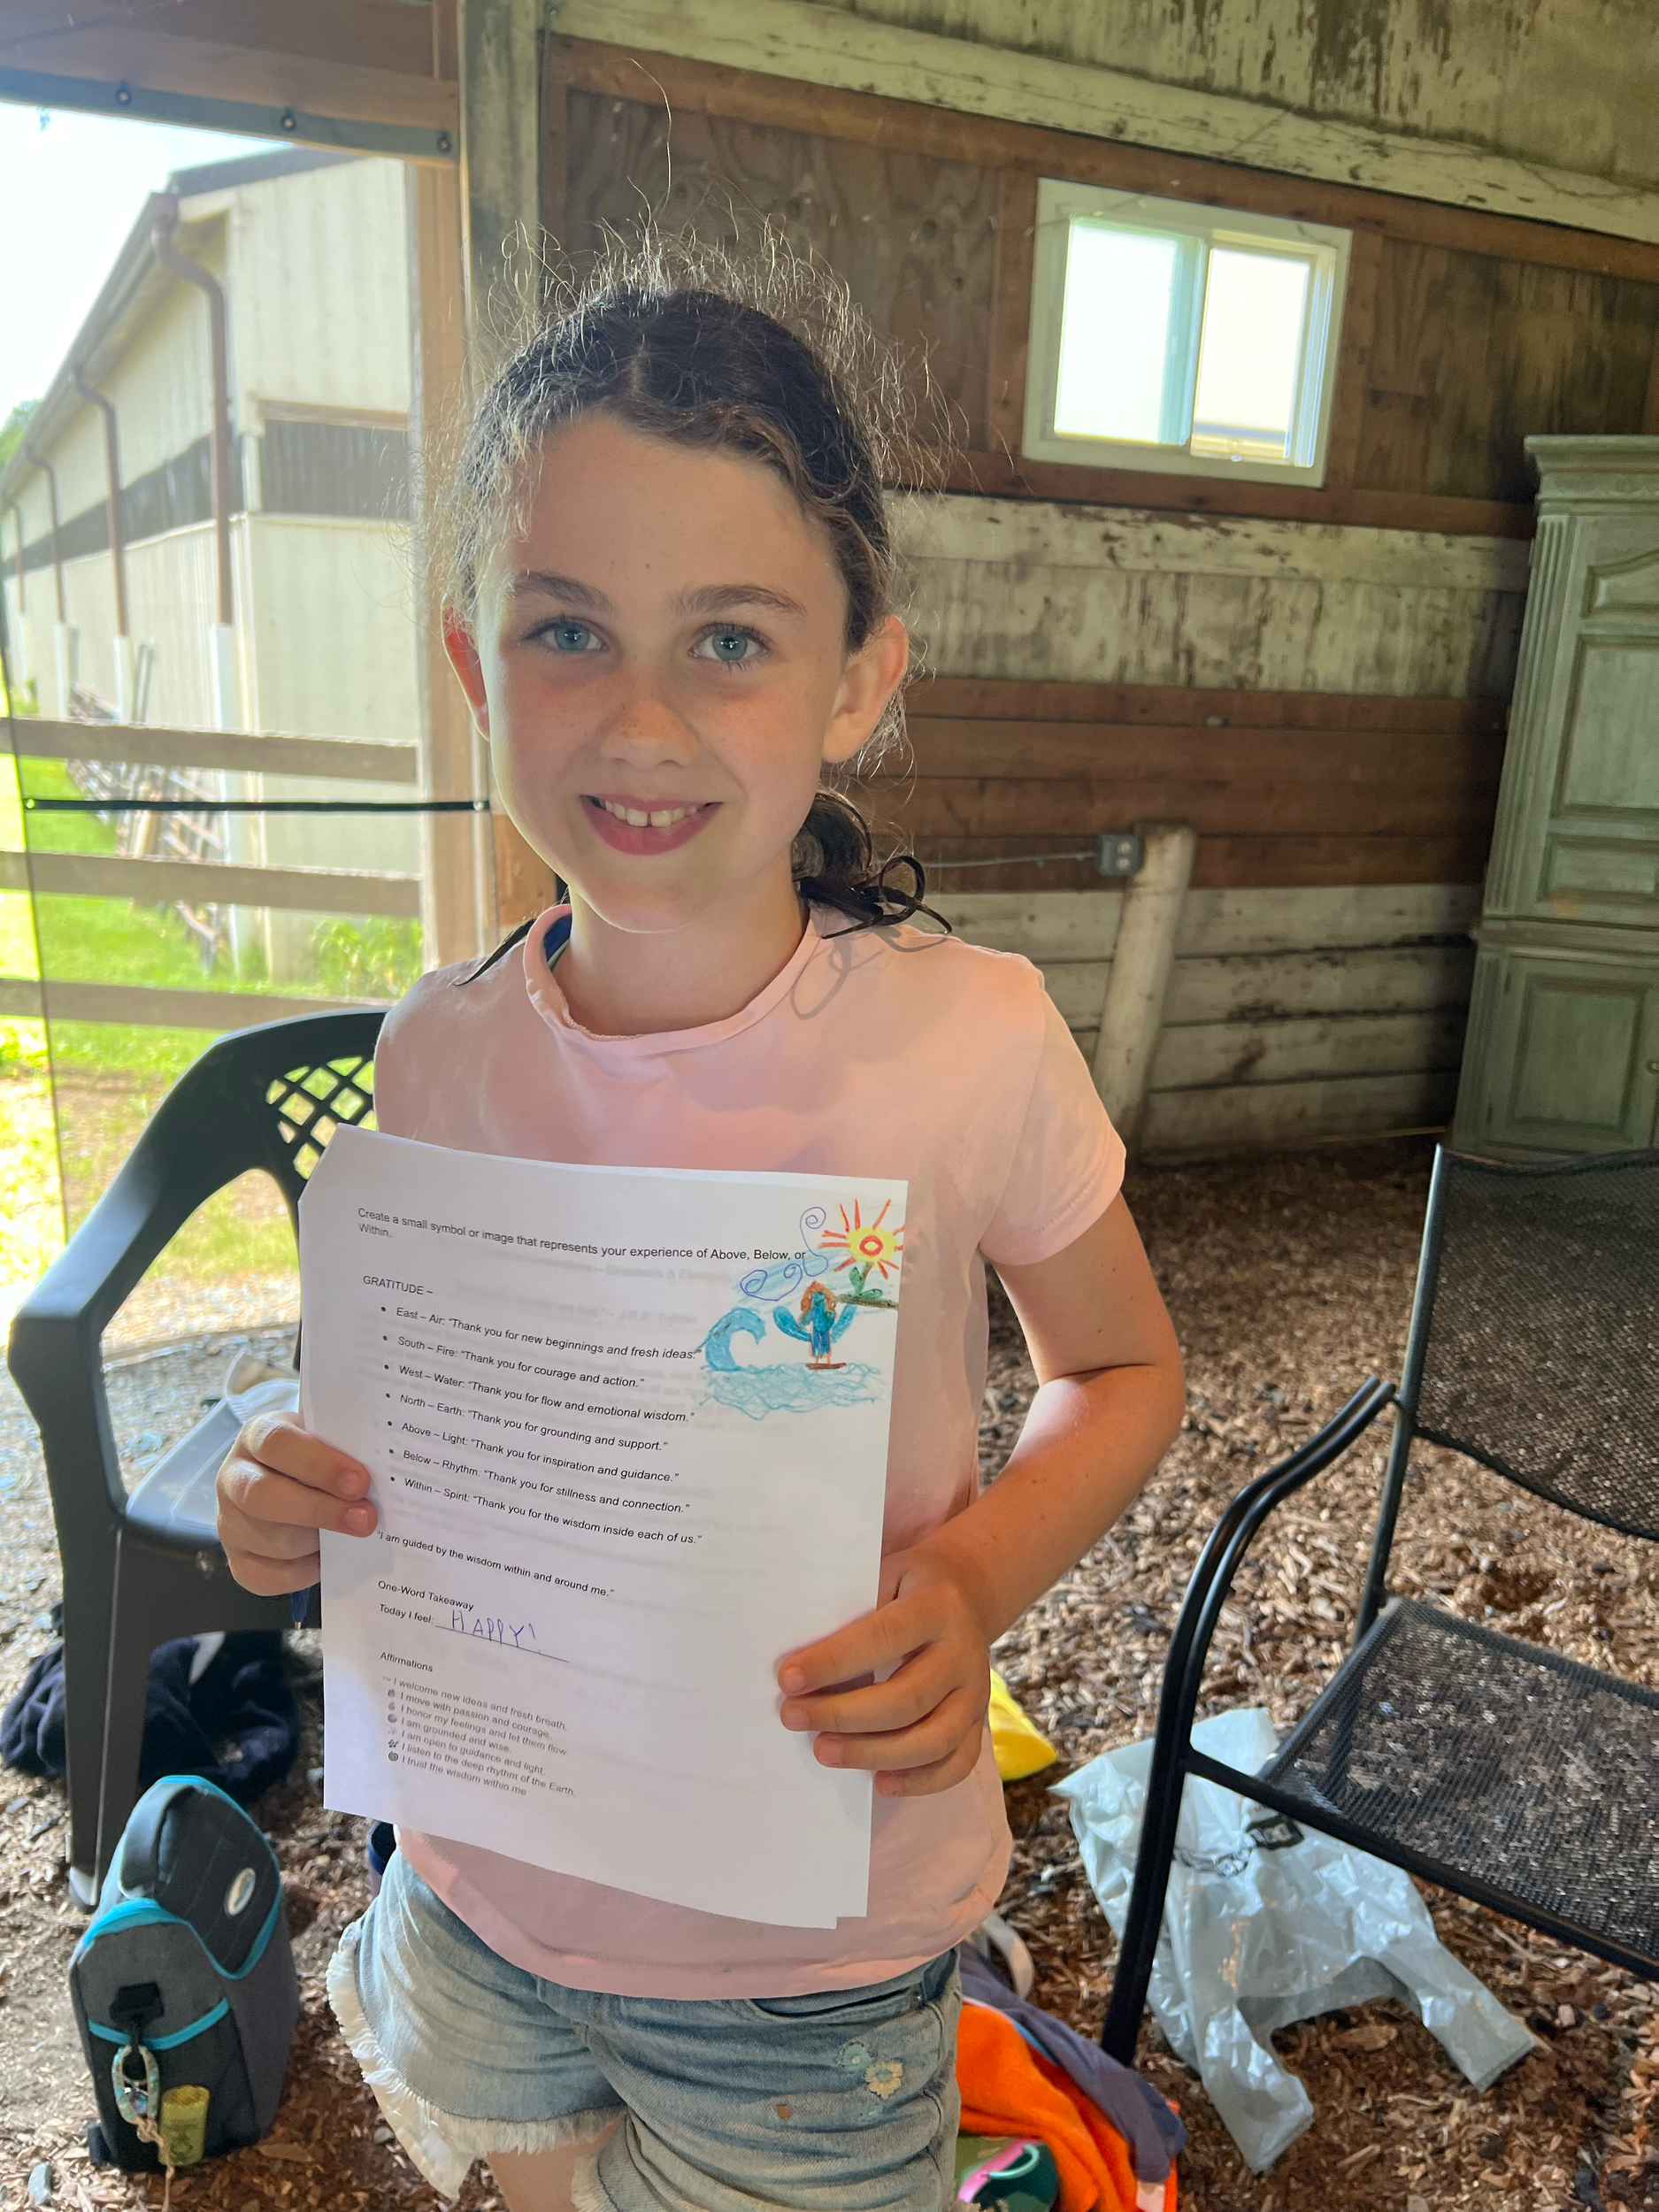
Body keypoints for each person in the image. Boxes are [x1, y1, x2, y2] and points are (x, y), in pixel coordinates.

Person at [215, 240, 1185, 2212]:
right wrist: (278, 1488)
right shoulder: (436, 1052)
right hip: (481, 1896)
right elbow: (378, 1439)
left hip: (804, 1960)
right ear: (479, 666)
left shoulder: (969, 1039)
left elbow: (1121, 1363)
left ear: (857, 681)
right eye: (568, 629)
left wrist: (974, 1583)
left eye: (728, 638)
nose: (639, 716)